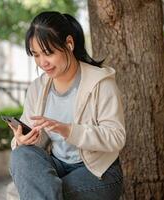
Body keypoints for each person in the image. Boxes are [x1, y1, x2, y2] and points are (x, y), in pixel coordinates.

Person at [7, 11, 126, 200]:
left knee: (38, 193)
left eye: (48, 53)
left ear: (69, 44)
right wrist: (21, 140)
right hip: (56, 164)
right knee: (20, 155)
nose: (42, 62)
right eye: (36, 55)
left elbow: (116, 137)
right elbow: (27, 135)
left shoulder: (101, 83)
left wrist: (69, 130)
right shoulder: (37, 88)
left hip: (97, 172)